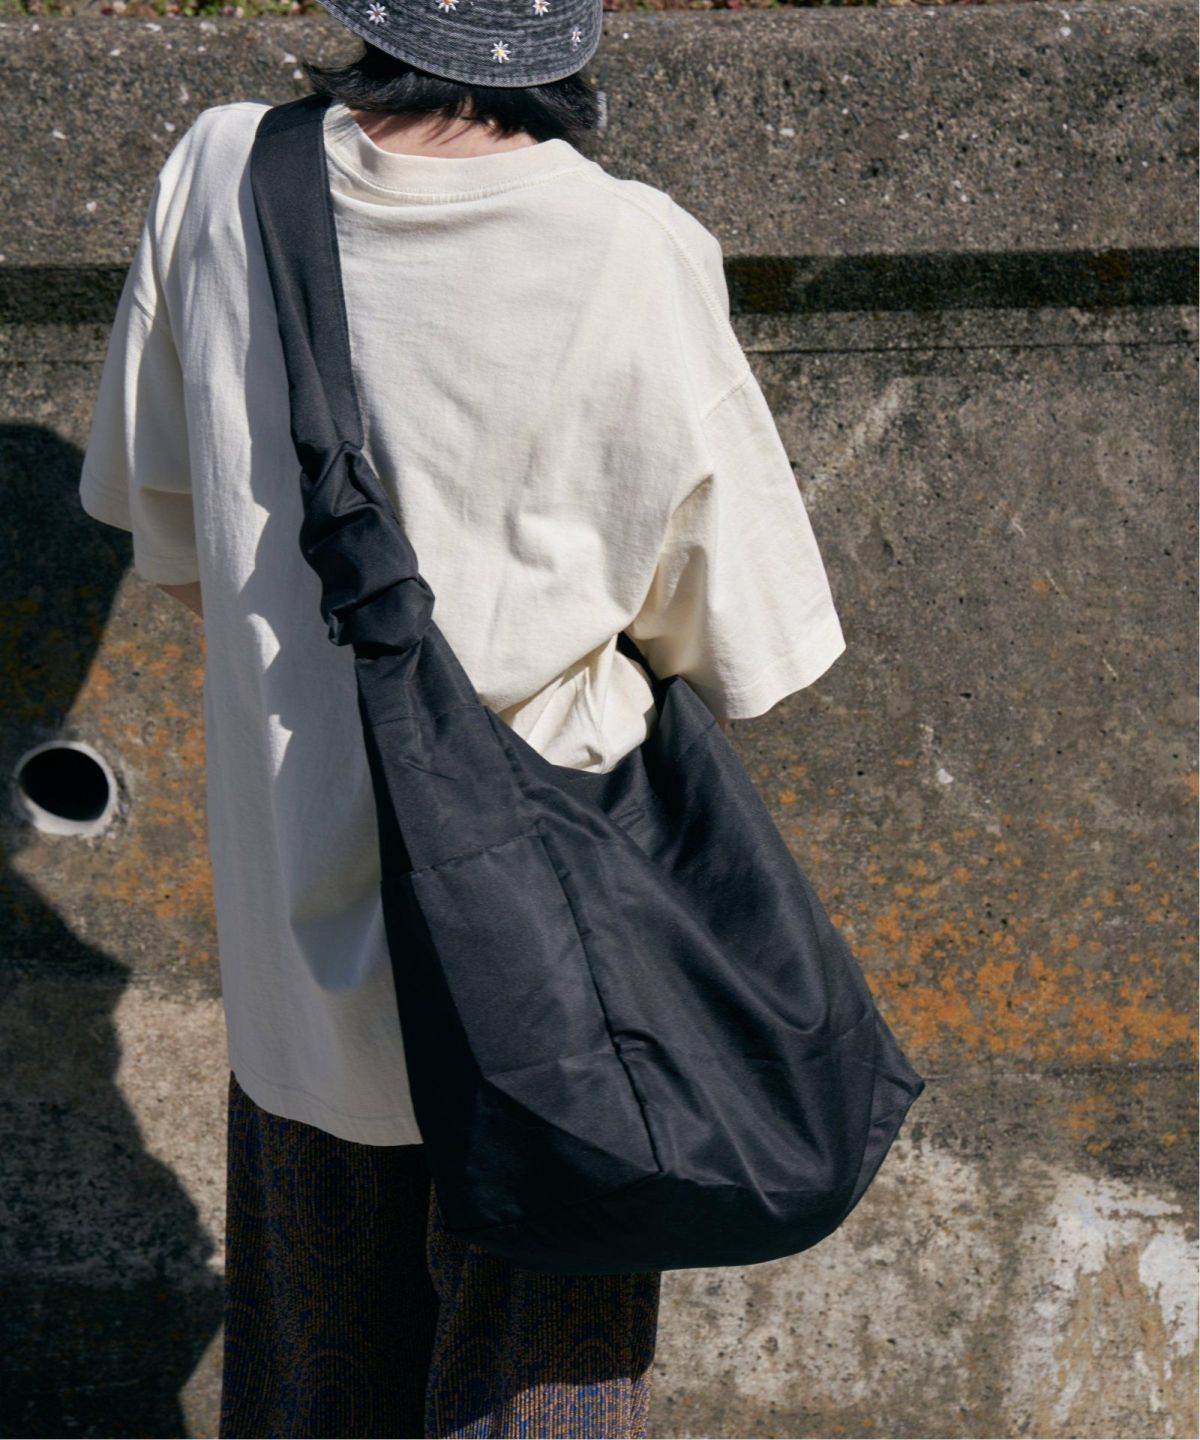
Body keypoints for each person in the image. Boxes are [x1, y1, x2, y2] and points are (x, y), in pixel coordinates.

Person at [76, 0, 847, 1432]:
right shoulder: (630, 249)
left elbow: (171, 539)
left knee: (313, 1386)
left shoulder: (223, 174)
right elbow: (747, 645)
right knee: (540, 1388)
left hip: (302, 979)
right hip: (562, 988)